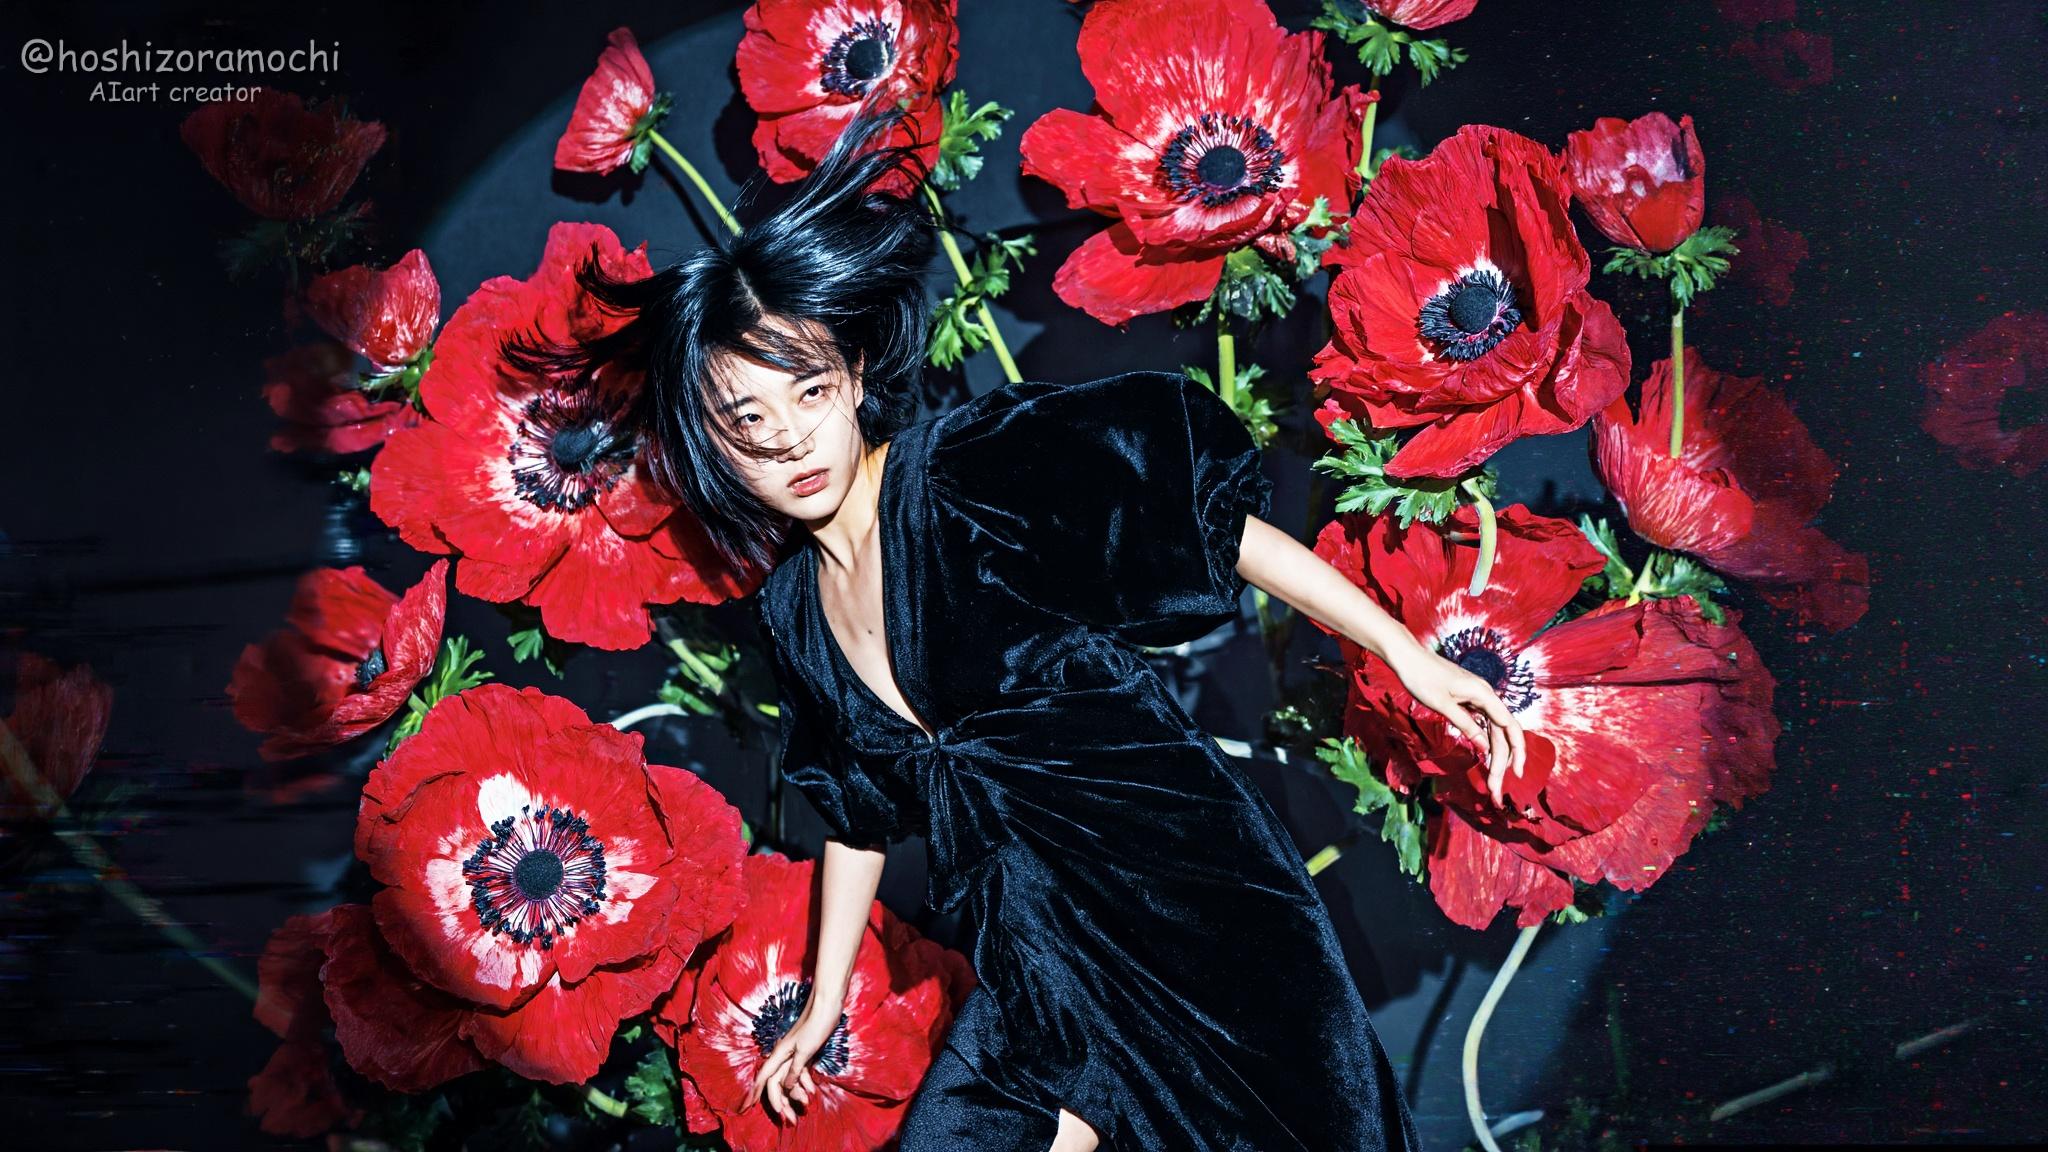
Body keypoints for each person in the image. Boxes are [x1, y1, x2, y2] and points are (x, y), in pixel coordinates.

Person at [513, 101, 1525, 1152]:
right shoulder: (791, 615)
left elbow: (1215, 531)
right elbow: (860, 810)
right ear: (714, 451)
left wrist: (1403, 653)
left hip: (1192, 897)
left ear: (853, 373)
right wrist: (822, 1001)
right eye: (748, 425)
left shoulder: (964, 472)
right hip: (1033, 950)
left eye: (807, 392)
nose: (791, 443)